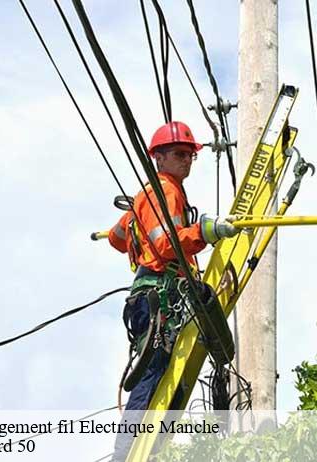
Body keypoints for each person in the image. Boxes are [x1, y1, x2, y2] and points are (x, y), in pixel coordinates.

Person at [107, 121, 237, 460]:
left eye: (190, 155)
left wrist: (137, 230)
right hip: (158, 296)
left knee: (156, 372)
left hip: (147, 295)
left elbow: (116, 239)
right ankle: (127, 454)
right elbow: (166, 245)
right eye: (179, 154)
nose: (187, 160)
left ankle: (135, 449)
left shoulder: (145, 196)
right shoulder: (165, 190)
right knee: (153, 375)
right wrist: (204, 232)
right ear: (159, 158)